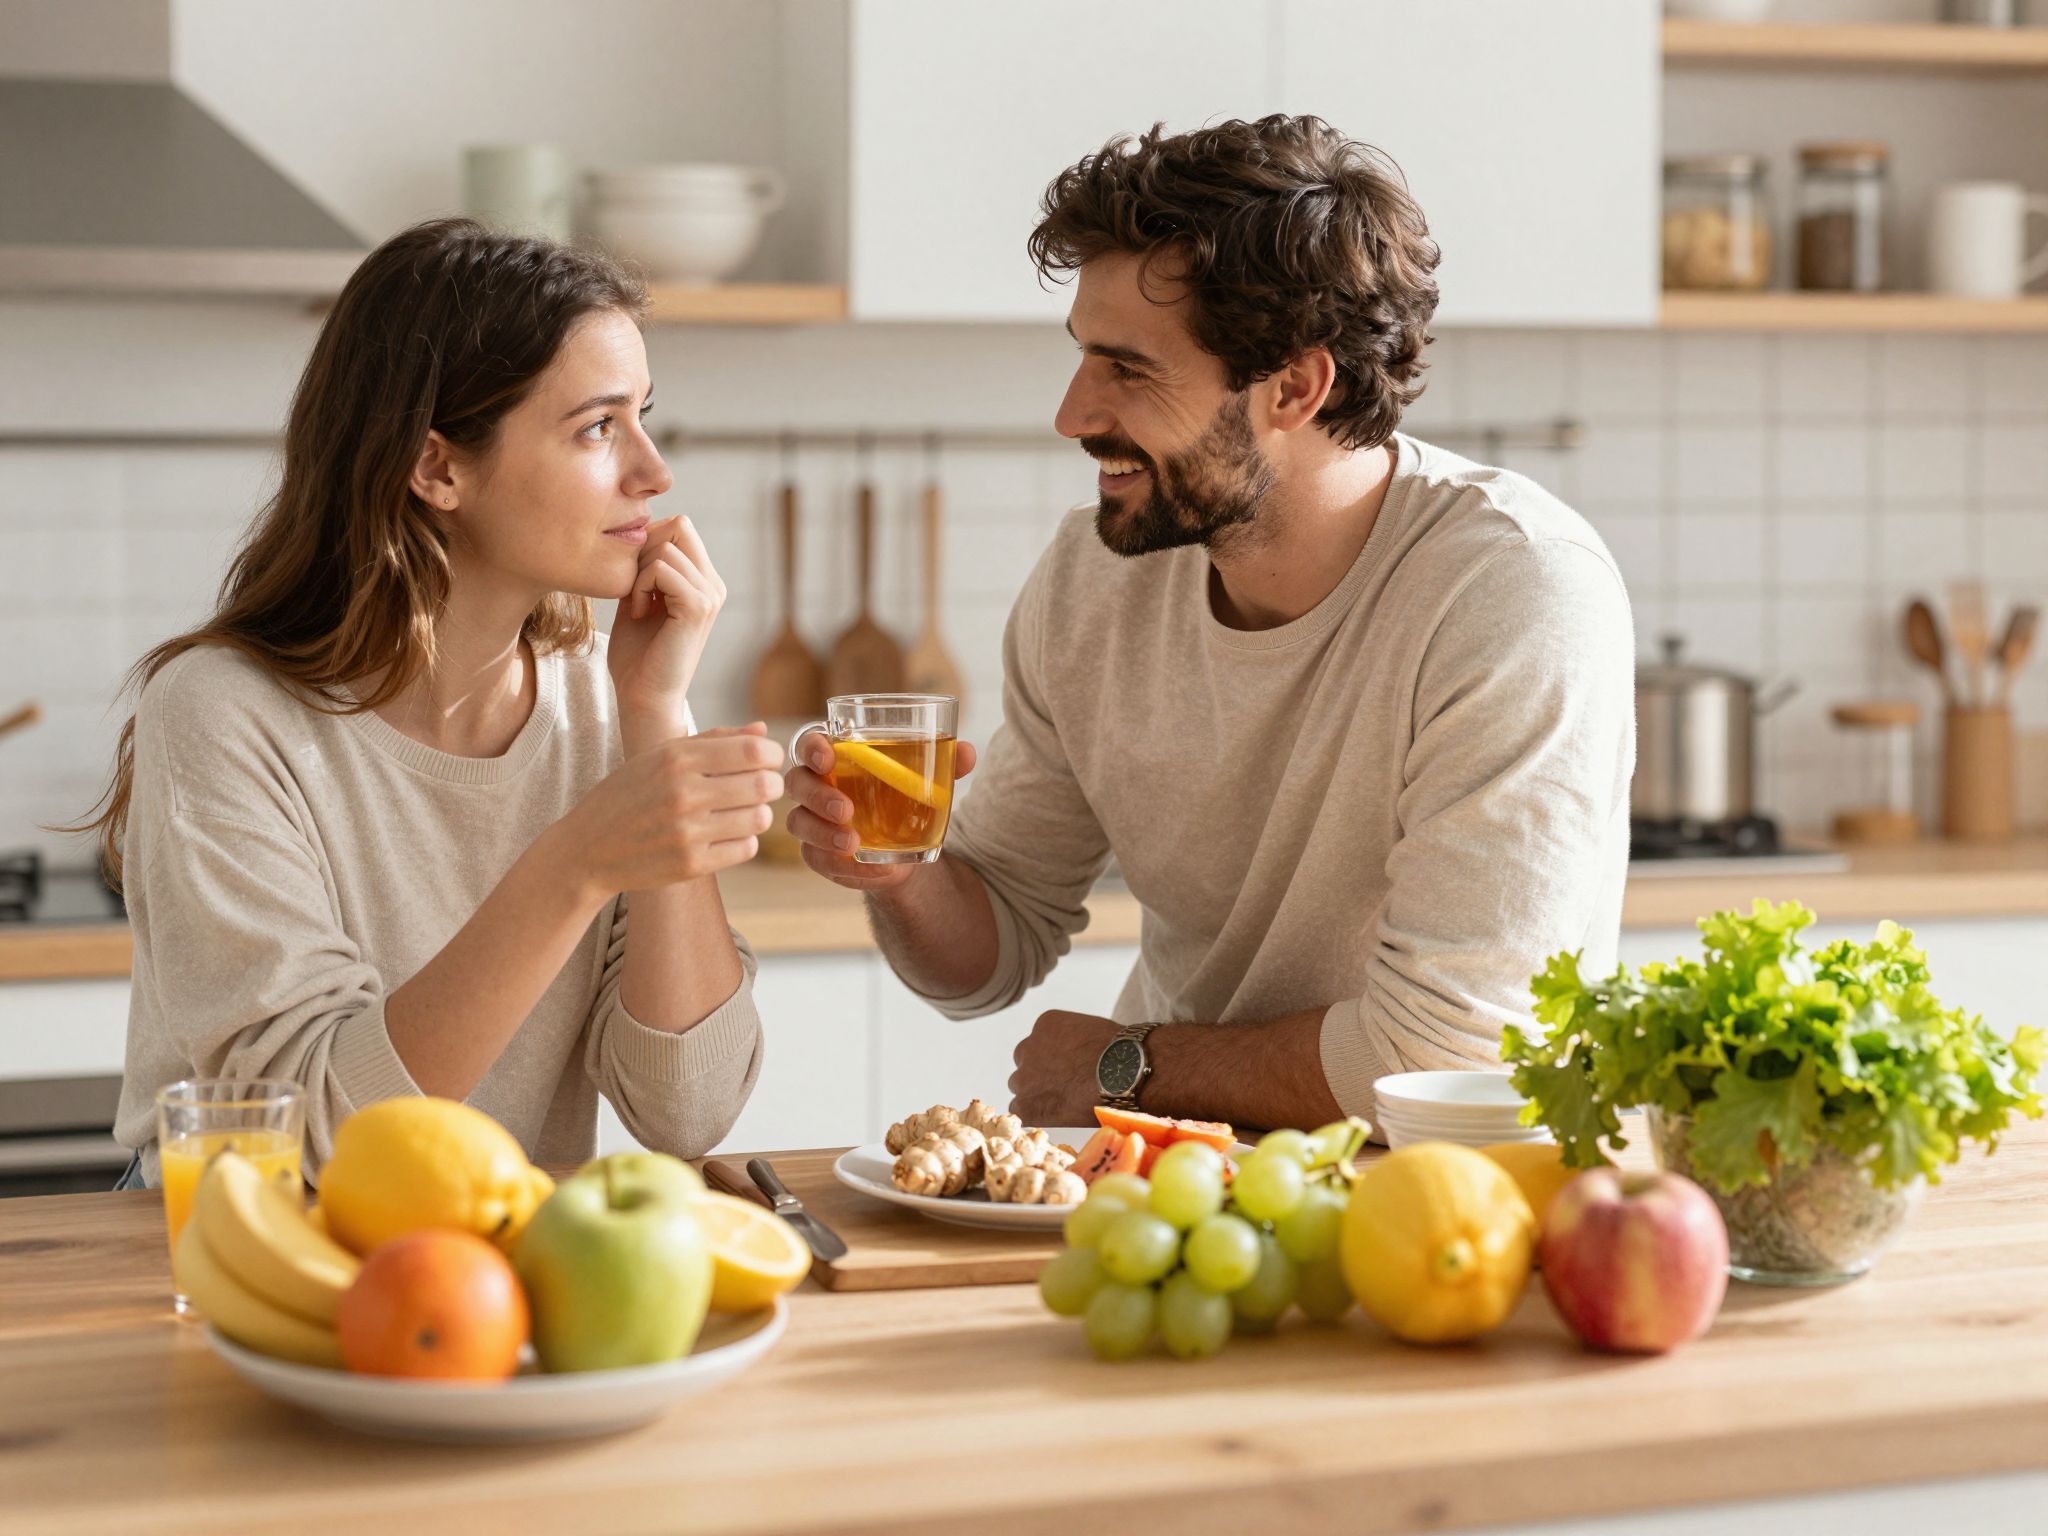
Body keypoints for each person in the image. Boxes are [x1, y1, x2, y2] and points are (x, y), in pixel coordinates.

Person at [784, 117, 1635, 1133]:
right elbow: (991, 946)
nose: (1072, 414)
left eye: (1128, 370)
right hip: (1168, 1178)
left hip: (1434, 1188)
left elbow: (1448, 1057)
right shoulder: (1093, 578)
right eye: (1082, 358)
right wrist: (897, 875)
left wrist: (1125, 1066)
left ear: (1294, 387)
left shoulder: (1512, 588)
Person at [92, 219, 782, 1184]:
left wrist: (657, 717)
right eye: (598, 427)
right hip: (232, 1250)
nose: (653, 472)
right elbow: (310, 1142)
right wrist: (575, 862)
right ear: (438, 468)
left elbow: (688, 1111)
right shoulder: (222, 714)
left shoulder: (606, 704)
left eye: (644, 416)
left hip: (490, 1252)